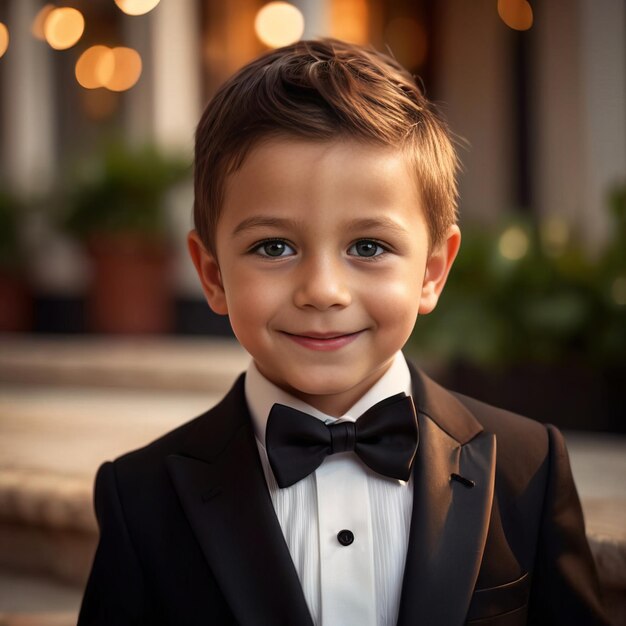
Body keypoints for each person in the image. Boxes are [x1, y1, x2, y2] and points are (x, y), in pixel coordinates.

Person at [78, 38, 608, 626]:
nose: (323, 290)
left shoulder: (528, 466)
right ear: (212, 274)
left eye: (368, 246)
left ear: (432, 271)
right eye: (273, 247)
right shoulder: (142, 497)